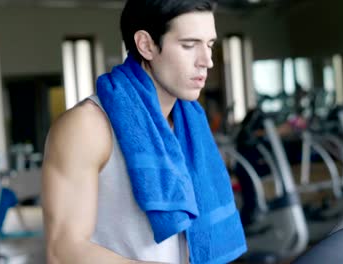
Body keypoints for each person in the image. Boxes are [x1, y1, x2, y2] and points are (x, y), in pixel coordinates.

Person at [42, 0, 247, 263]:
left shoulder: (189, 125)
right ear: (146, 45)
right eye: (189, 45)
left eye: (209, 45)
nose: (207, 61)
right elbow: (63, 251)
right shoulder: (86, 126)